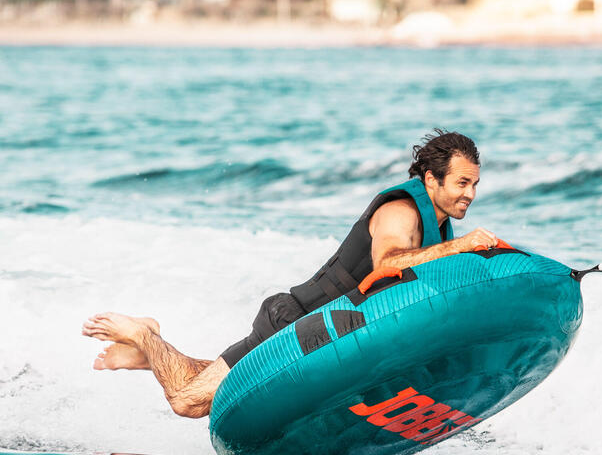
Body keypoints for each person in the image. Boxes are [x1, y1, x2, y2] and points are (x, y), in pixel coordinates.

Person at [82, 129, 498, 418]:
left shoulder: (436, 225)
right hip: (296, 324)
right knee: (188, 402)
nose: (470, 194)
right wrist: (463, 246)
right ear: (431, 178)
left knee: (230, 388)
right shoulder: (400, 213)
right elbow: (388, 264)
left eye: (475, 184)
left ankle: (149, 359)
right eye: (463, 183)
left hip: (323, 336)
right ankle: (145, 335)